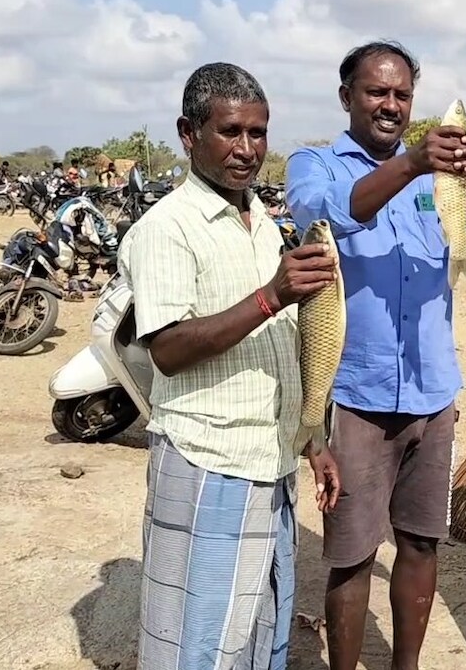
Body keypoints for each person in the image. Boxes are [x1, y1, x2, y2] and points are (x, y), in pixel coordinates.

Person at [284, 40, 466, 670]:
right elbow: (325, 211)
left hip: (432, 391)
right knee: (351, 554)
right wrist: (411, 164)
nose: (390, 104)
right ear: (347, 97)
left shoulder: (439, 171)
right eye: (376, 92)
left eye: (402, 94)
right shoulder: (316, 163)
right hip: (356, 394)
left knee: (419, 541)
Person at [119, 61, 342, 669]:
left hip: (268, 460)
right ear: (189, 135)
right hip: (208, 460)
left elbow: (288, 344)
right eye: (231, 132)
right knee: (203, 637)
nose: (248, 149)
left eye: (259, 133)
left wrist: (312, 439)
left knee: (258, 625)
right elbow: (166, 348)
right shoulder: (166, 228)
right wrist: (273, 295)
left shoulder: (262, 221)